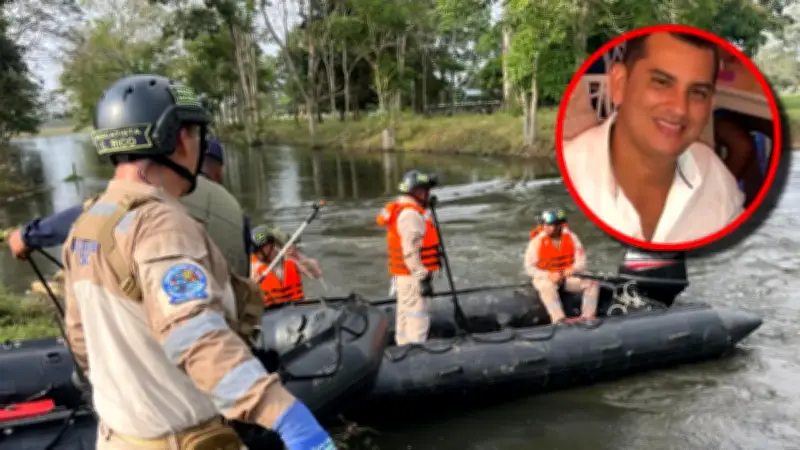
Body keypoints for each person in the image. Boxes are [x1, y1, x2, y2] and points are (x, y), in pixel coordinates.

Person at [57, 74, 333, 450]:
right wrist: (285, 415)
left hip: (118, 437)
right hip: (180, 439)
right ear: (179, 137)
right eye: (197, 133)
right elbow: (196, 337)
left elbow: (80, 340)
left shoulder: (87, 225)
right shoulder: (160, 224)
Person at [563, 31, 744, 244]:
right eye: (661, 82)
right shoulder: (572, 173)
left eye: (698, 92)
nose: (679, 109)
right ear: (620, 84)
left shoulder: (715, 178)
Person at [4, 137, 254, 277]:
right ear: (219, 172)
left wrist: (28, 235)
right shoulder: (234, 210)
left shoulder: (158, 192)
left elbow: (92, 216)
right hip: (232, 328)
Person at [376, 170, 441, 346]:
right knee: (417, 317)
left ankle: (402, 346)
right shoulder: (411, 215)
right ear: (418, 192)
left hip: (404, 276)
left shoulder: (402, 209)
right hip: (412, 277)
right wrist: (423, 276)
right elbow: (410, 252)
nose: (429, 195)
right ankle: (415, 352)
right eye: (427, 191)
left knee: (404, 315)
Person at [524, 209, 599, 324]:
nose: (547, 227)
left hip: (566, 276)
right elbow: (529, 268)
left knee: (592, 282)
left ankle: (588, 316)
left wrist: (573, 269)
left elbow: (582, 260)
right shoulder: (536, 242)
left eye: (551, 225)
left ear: (560, 225)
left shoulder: (572, 238)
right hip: (547, 277)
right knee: (546, 287)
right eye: (545, 225)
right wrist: (548, 275)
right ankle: (558, 319)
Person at [250, 225, 322, 307]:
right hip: (270, 314)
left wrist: (297, 256)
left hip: (297, 309)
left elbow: (316, 274)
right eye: (254, 251)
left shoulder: (290, 257)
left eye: (258, 250)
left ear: (270, 245)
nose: (256, 254)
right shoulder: (252, 266)